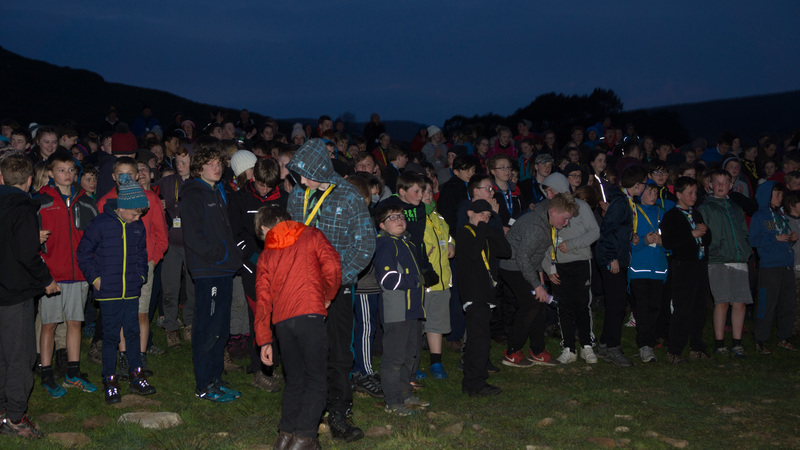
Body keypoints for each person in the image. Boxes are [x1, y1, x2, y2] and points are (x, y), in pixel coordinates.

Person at [286, 138, 375, 442]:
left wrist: (335, 280)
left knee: (338, 350)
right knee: (306, 348)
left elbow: (365, 245)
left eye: (307, 175)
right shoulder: (298, 195)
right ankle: (308, 409)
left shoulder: (349, 196)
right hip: (303, 286)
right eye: (299, 175)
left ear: (321, 169)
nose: (302, 181)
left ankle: (339, 411)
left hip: (338, 288)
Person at [254, 205, 341, 449]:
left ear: (265, 227)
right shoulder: (311, 235)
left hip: (283, 322)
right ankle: (304, 437)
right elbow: (333, 266)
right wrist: (328, 295)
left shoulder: (265, 255)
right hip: (309, 314)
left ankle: (285, 436)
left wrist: (264, 340)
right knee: (316, 379)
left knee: (295, 380)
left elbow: (262, 300)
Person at [77, 177, 157, 404]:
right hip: (108, 291)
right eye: (135, 214)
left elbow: (142, 254)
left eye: (140, 215)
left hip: (131, 289)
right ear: (122, 207)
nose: (138, 219)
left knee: (133, 333)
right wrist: (96, 279)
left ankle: (136, 375)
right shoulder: (100, 224)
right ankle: (109, 380)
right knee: (111, 337)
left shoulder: (137, 226)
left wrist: (141, 276)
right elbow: (83, 253)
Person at [180, 140, 243, 402]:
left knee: (220, 327)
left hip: (223, 269)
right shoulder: (193, 193)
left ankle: (215, 379)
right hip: (209, 270)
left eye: (219, 163)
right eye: (210, 164)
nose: (216, 168)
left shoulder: (216, 191)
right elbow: (193, 236)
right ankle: (204, 384)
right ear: (198, 168)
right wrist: (220, 254)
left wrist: (231, 255)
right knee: (208, 327)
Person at [0, 154, 56, 438]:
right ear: (30, 180)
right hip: (14, 294)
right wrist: (47, 280)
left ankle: (2, 411)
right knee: (19, 357)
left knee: (2, 355)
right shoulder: (22, 207)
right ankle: (15, 418)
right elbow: (25, 254)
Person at [96, 157, 168, 376]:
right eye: (121, 174)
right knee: (120, 314)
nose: (125, 178)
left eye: (130, 173)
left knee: (140, 313)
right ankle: (124, 356)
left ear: (137, 175)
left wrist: (153, 260)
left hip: (143, 264)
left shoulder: (150, 198)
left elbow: (161, 233)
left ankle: (140, 357)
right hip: (116, 266)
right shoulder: (106, 201)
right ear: (113, 177)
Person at [37, 152, 98, 397]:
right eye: (61, 170)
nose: (67, 174)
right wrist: (43, 272)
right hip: (52, 275)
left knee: (75, 322)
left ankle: (73, 374)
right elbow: (31, 240)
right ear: (51, 173)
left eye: (71, 170)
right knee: (49, 324)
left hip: (79, 274)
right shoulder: (40, 201)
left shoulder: (86, 202)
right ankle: (46, 374)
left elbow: (94, 238)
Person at [228, 157, 286, 392]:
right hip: (253, 268)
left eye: (269, 187)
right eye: (261, 184)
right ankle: (258, 369)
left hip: (278, 268)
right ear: (254, 178)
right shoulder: (240, 198)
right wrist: (251, 257)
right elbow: (234, 234)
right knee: (258, 318)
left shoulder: (283, 199)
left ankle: (273, 364)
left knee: (276, 317)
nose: (264, 190)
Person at [538, 174, 601, 364]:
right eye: (546, 192)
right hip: (558, 266)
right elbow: (544, 243)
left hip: (580, 262)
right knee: (563, 306)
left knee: (582, 304)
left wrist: (572, 244)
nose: (549, 195)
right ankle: (568, 348)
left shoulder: (581, 207)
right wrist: (549, 268)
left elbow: (595, 232)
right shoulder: (547, 210)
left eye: (551, 190)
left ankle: (586, 345)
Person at [373, 205, 430, 415]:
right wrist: (418, 279)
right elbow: (388, 279)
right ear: (382, 225)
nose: (399, 220)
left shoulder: (408, 244)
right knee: (395, 358)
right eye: (392, 217)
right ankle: (393, 401)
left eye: (401, 216)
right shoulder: (385, 244)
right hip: (397, 311)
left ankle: (405, 393)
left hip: (414, 309)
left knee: (410, 355)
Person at [457, 199, 511, 396]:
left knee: (481, 338)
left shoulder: (484, 233)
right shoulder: (465, 232)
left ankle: (472, 382)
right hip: (474, 293)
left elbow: (506, 251)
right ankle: (475, 382)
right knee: (478, 340)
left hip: (486, 294)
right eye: (481, 215)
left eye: (488, 216)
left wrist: (492, 230)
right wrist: (482, 229)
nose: (485, 219)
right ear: (470, 213)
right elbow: (473, 253)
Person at [596, 165, 648, 367]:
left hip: (619, 256)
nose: (645, 187)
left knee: (615, 304)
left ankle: (604, 344)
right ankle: (613, 347)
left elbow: (619, 229)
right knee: (617, 306)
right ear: (637, 184)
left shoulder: (627, 201)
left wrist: (630, 236)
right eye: (644, 183)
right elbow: (607, 230)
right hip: (612, 259)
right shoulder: (620, 202)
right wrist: (612, 258)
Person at [698, 169, 752, 358]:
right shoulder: (706, 208)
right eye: (717, 182)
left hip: (739, 259)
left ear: (731, 185)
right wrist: (714, 249)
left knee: (740, 302)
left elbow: (744, 231)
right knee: (722, 302)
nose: (721, 186)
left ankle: (737, 343)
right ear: (710, 185)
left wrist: (745, 248)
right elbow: (703, 235)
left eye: (725, 182)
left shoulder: (736, 208)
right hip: (718, 260)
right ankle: (719, 343)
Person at [660, 177, 712, 363]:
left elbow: (706, 239)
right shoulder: (671, 216)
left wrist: (705, 232)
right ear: (679, 194)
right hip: (683, 266)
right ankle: (674, 350)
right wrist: (692, 234)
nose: (693, 196)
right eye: (689, 193)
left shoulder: (696, 214)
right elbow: (669, 241)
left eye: (695, 193)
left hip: (699, 264)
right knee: (682, 309)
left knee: (699, 308)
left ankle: (697, 347)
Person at [749, 181, 798, 354]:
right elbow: (753, 240)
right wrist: (775, 238)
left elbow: (782, 237)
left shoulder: (781, 215)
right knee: (767, 303)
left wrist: (790, 238)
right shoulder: (760, 216)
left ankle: (784, 337)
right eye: (776, 194)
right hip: (770, 266)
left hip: (786, 265)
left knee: (788, 303)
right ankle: (760, 339)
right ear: (767, 196)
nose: (780, 198)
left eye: (781, 195)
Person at [154, 147, 195, 348]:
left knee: (192, 287)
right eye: (177, 162)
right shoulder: (169, 182)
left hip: (193, 245)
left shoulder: (199, 183)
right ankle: (171, 327)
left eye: (184, 162)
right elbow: (150, 191)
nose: (180, 166)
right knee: (170, 286)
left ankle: (190, 323)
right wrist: (158, 202)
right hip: (171, 244)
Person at [627, 184, 669, 363]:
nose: (653, 195)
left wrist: (662, 242)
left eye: (655, 192)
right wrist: (644, 240)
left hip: (658, 270)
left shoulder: (663, 214)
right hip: (639, 269)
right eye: (649, 192)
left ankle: (651, 340)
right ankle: (644, 344)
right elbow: (630, 243)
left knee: (655, 307)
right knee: (643, 307)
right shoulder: (633, 212)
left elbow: (670, 243)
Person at [421, 178, 454, 379]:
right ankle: (412, 363)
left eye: (429, 191)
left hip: (441, 281)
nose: (427, 195)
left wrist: (452, 244)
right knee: (416, 326)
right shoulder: (412, 216)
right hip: (423, 283)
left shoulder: (438, 216)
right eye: (422, 191)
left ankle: (436, 363)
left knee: (437, 323)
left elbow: (448, 235)